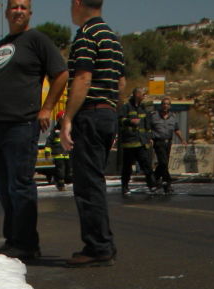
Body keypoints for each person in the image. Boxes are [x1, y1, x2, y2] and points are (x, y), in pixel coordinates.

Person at [0, 0, 68, 262]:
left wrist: (47, 108)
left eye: (23, 7)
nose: (18, 11)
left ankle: (28, 245)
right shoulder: (0, 47)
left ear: (29, 13)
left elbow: (60, 74)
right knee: (3, 187)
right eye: (14, 6)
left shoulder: (37, 40)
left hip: (21, 124)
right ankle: (13, 240)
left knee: (21, 185)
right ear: (6, 13)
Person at [60, 0, 125, 267]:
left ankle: (98, 246)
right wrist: (112, 114)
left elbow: (83, 78)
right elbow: (121, 83)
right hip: (107, 113)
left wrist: (68, 118)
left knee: (87, 185)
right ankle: (103, 243)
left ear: (77, 3)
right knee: (95, 181)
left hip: (90, 114)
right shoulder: (113, 38)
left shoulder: (87, 35)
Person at [117, 86, 155, 194]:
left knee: (146, 164)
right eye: (143, 93)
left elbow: (148, 124)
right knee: (127, 167)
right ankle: (124, 186)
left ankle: (152, 185)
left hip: (141, 142)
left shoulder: (143, 108)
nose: (144, 95)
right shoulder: (126, 107)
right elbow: (119, 120)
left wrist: (149, 137)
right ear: (136, 94)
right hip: (129, 143)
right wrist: (130, 121)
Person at [148, 96, 185, 193]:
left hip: (168, 142)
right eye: (164, 104)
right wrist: (149, 138)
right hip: (158, 141)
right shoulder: (154, 115)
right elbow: (148, 128)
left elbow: (176, 129)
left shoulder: (173, 117)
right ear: (161, 105)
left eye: (167, 104)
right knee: (163, 162)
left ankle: (154, 179)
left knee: (163, 164)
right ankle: (167, 182)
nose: (165, 106)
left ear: (170, 106)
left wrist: (182, 140)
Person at [48, 110, 72, 192]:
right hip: (58, 154)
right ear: (58, 121)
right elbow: (49, 141)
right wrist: (47, 150)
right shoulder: (55, 131)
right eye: (62, 120)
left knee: (68, 170)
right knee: (60, 170)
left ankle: (60, 180)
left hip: (66, 154)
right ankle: (60, 185)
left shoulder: (68, 130)